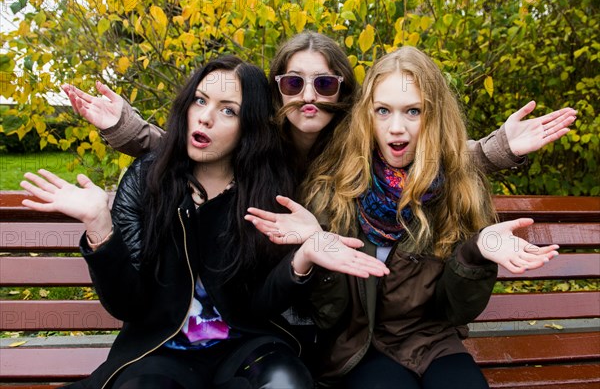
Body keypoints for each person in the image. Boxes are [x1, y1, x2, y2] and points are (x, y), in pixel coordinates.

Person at [20, 55, 387, 389]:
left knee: (284, 382)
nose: (206, 117)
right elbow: (128, 306)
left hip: (248, 345)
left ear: (250, 125)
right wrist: (99, 225)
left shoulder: (268, 189)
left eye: (228, 111)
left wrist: (301, 259)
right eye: (200, 100)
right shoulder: (150, 180)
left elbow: (259, 306)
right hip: (161, 349)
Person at [245, 47, 560, 389]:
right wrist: (315, 244)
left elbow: (454, 312)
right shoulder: (333, 188)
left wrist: (475, 253)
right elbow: (329, 315)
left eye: (413, 111)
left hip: (432, 341)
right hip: (357, 346)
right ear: (367, 115)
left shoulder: (459, 188)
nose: (396, 128)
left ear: (434, 115)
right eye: (383, 111)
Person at [61, 32, 576, 183]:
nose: (308, 95)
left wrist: (501, 147)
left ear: (342, 89)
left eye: (324, 83)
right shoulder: (258, 136)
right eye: (293, 82)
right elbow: (195, 141)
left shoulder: (361, 137)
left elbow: (434, 151)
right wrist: (125, 129)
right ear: (277, 87)